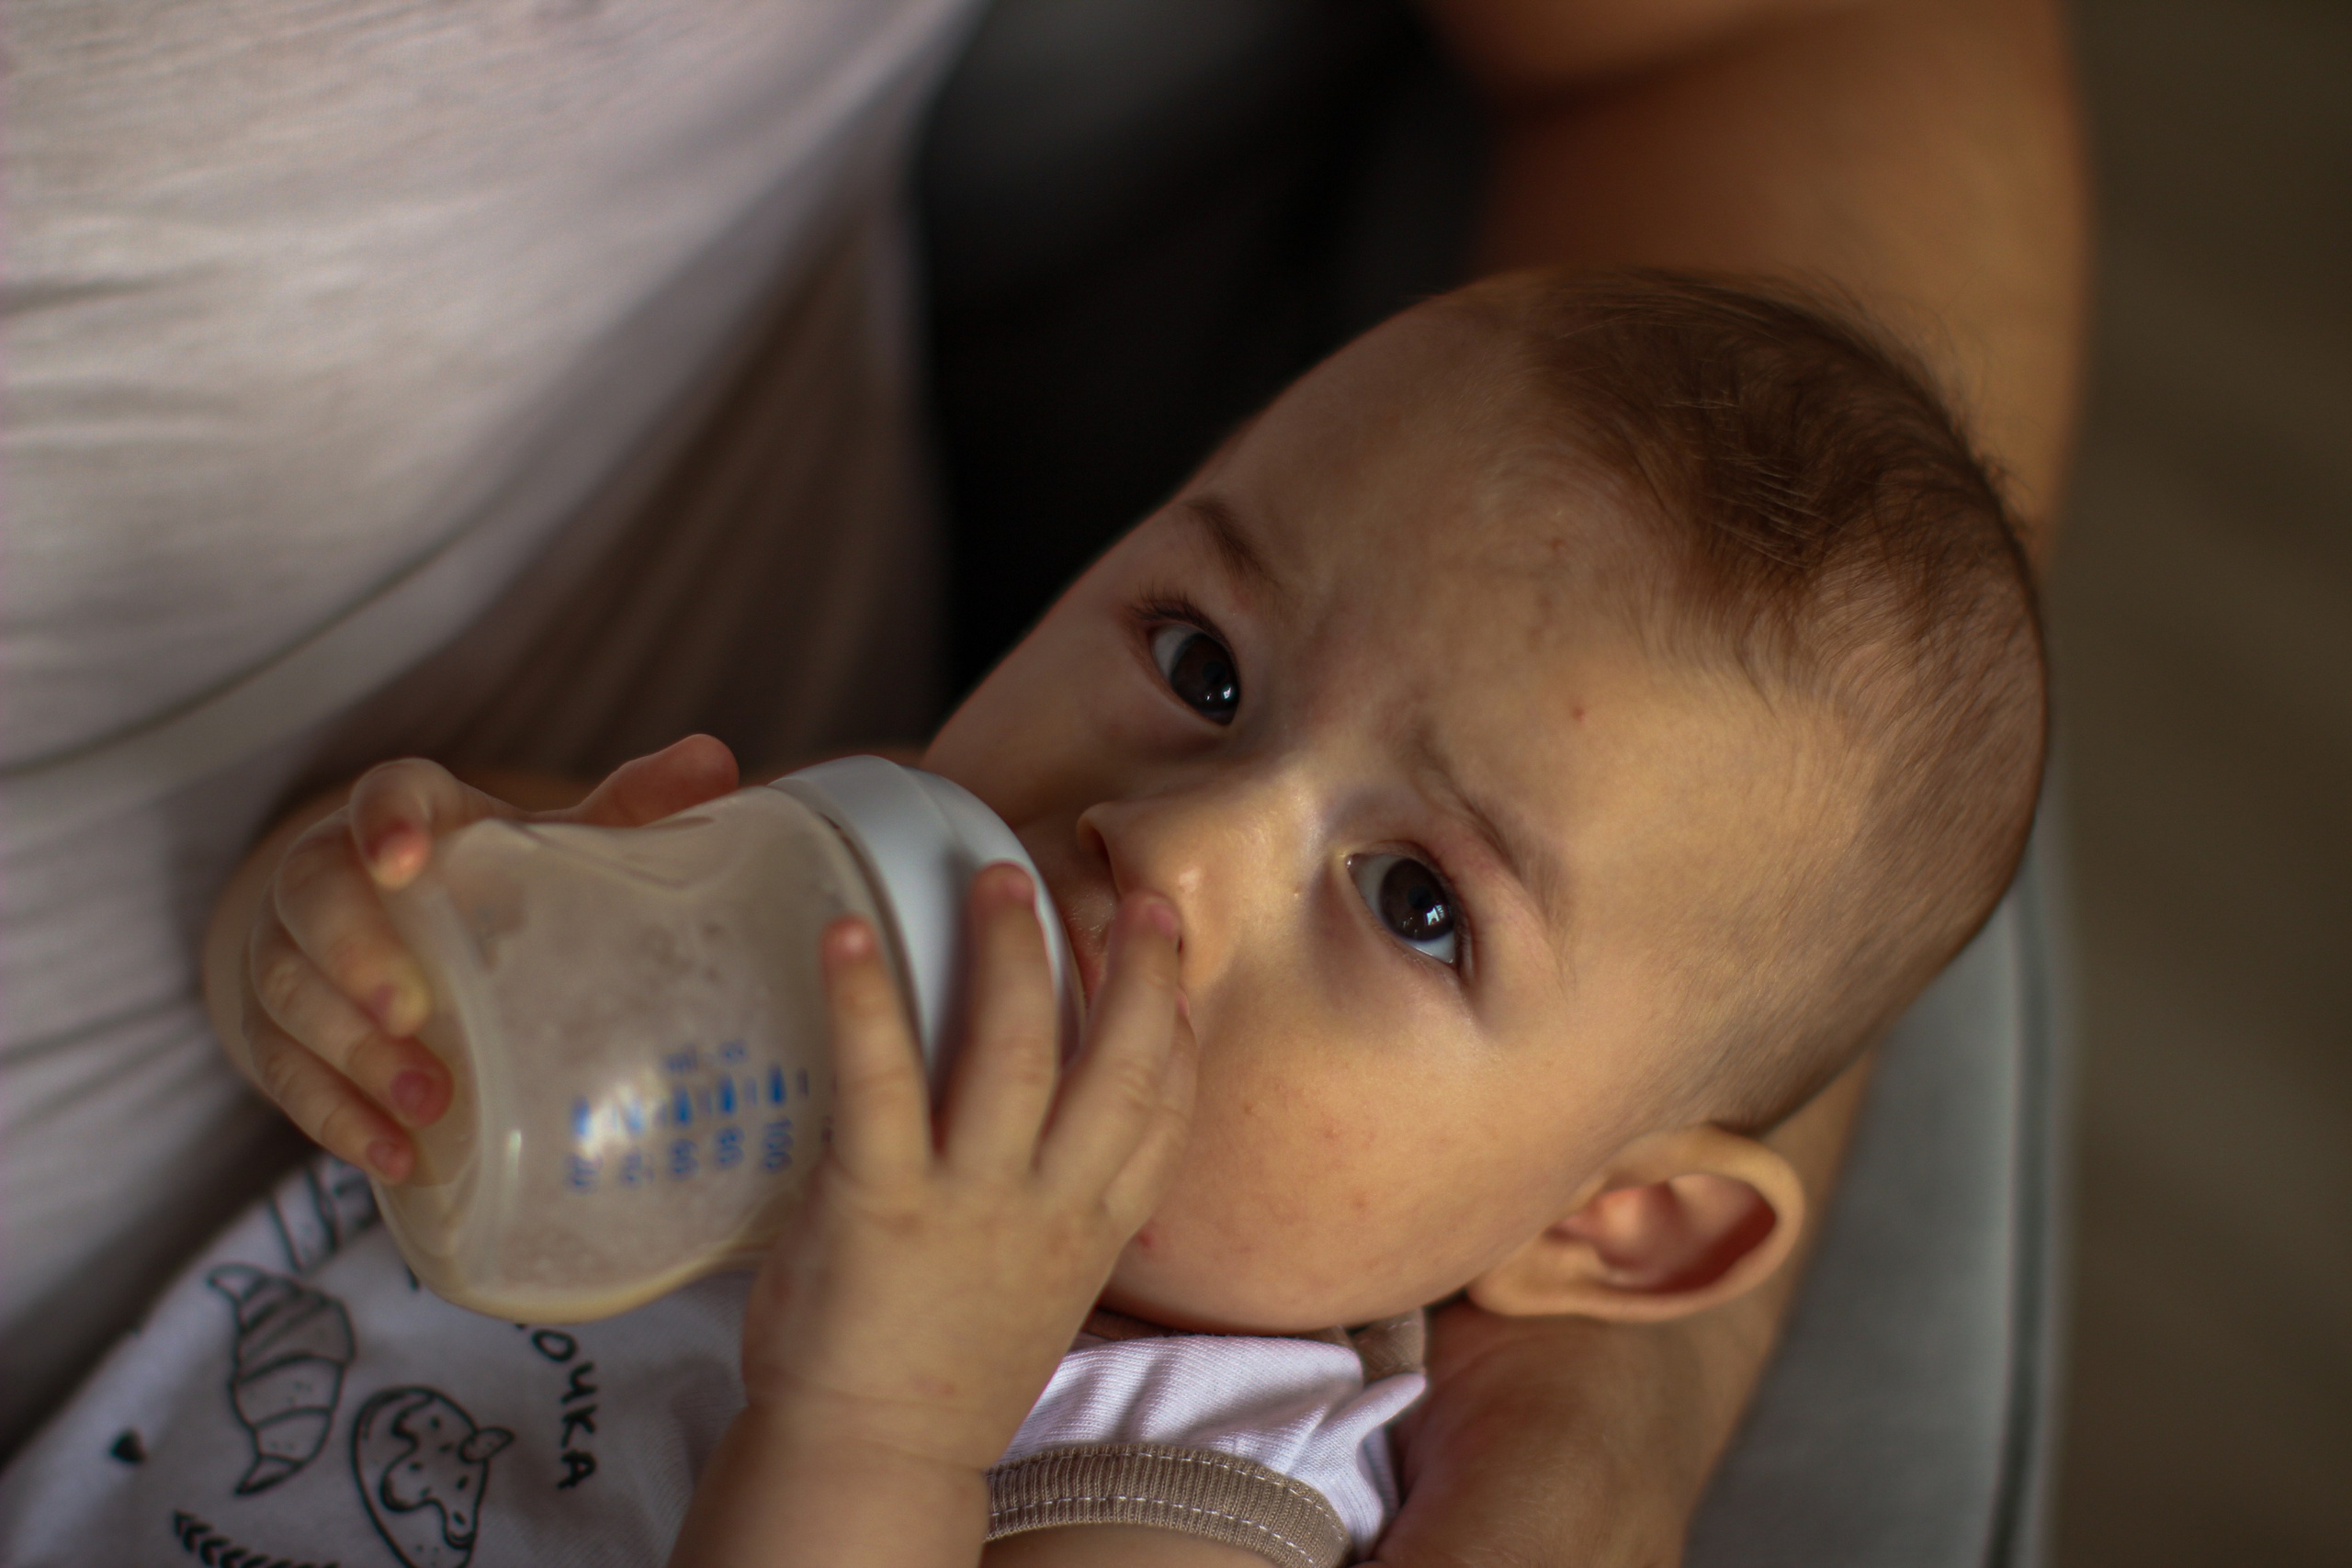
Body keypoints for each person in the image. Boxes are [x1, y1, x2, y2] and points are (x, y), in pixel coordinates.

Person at [0, 0, 2086, 1556]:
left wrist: (885, 1419)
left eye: (1416, 899)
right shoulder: (836, 926)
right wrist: (361, 931)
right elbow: (398, 946)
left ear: (1616, 1237)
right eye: (1198, 659)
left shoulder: (1185, 1478)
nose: (1165, 845)